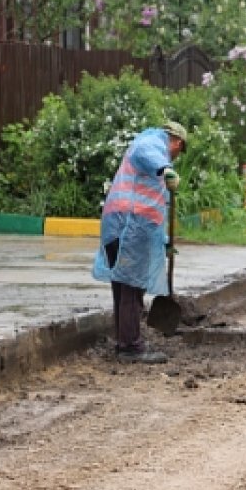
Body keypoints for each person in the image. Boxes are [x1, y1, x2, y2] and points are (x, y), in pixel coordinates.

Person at [92, 121, 187, 365]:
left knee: (123, 285)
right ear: (176, 142)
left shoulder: (153, 164)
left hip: (123, 225)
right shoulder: (152, 144)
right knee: (132, 287)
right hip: (128, 227)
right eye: (179, 150)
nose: (176, 156)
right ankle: (131, 347)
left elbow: (152, 208)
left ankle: (124, 341)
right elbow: (145, 152)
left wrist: (164, 241)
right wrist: (165, 168)